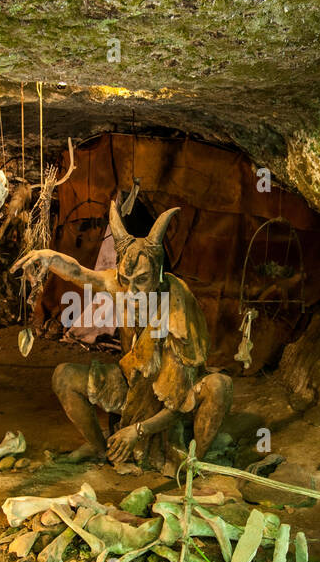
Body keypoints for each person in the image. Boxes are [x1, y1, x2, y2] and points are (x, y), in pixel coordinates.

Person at [12, 202, 232, 472]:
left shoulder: (175, 304)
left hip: (174, 399)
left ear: (159, 274)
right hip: (132, 382)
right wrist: (49, 257)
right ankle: (99, 447)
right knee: (64, 376)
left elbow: (178, 400)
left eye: (142, 280)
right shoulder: (121, 285)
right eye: (126, 280)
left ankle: (191, 462)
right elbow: (79, 273)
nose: (131, 292)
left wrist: (137, 431)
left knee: (219, 386)